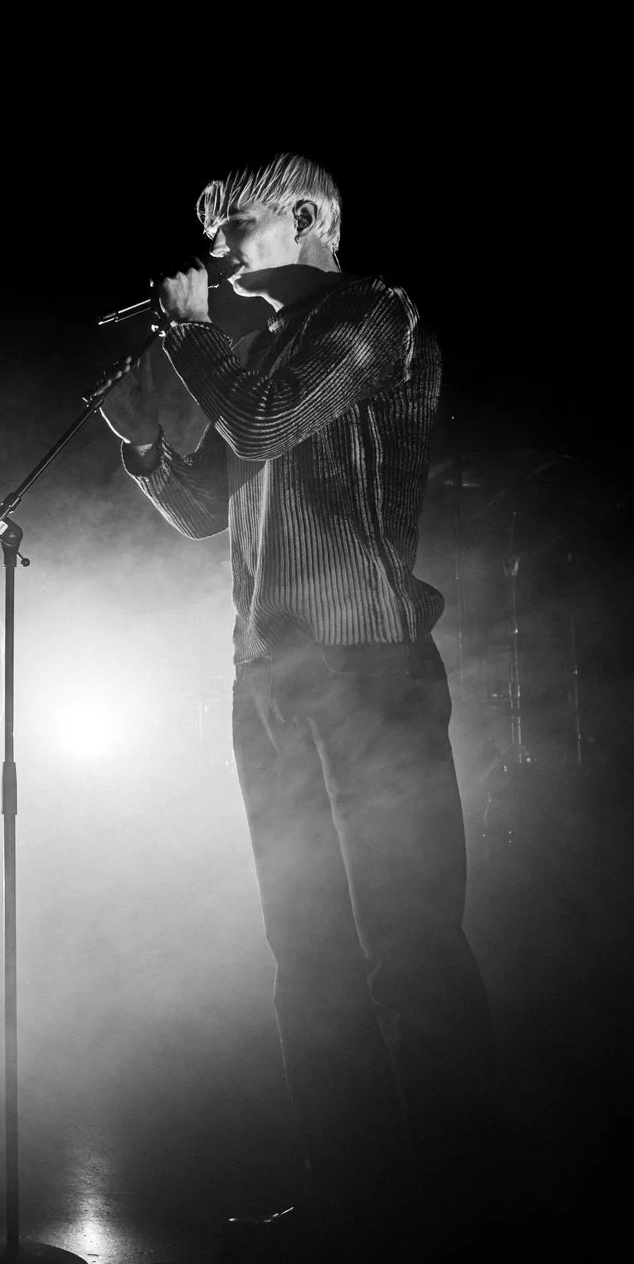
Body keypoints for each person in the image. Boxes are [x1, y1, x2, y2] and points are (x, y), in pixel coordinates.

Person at [103, 154, 498, 1262]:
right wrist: (143, 444)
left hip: (367, 668)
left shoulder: (374, 315)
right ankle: (346, 1198)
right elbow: (203, 506)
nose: (213, 250)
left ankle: (461, 1212)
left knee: (407, 948)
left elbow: (267, 425)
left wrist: (191, 339)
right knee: (306, 949)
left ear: (309, 216)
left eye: (233, 226)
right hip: (266, 679)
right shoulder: (264, 348)